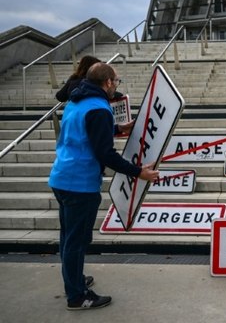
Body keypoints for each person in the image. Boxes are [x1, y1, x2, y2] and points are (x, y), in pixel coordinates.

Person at [49, 62, 160, 310]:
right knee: (77, 242)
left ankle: (74, 280)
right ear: (108, 82)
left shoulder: (76, 99)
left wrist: (118, 128)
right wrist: (138, 172)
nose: (116, 86)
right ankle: (77, 296)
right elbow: (106, 154)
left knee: (68, 237)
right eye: (116, 81)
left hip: (61, 177)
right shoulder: (99, 108)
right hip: (80, 184)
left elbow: (84, 131)